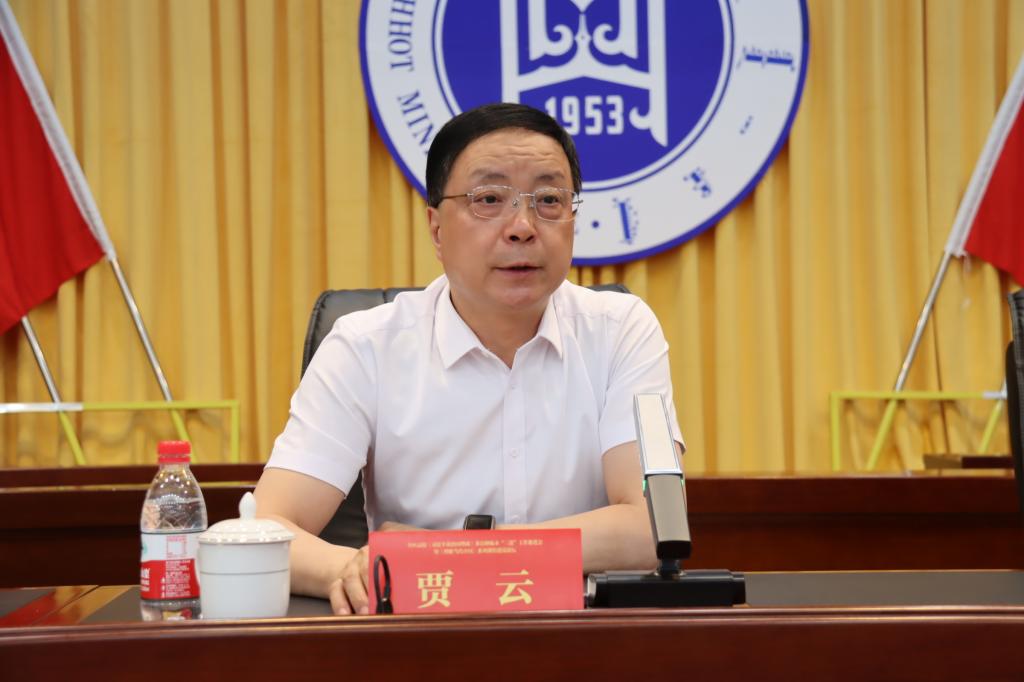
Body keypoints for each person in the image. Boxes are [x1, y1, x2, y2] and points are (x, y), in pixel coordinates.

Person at [254, 102, 683, 615]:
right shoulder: (366, 346)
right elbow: (265, 529)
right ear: (437, 229)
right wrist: (349, 570)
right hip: (420, 636)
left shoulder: (620, 331)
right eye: (489, 199)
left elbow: (651, 526)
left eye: (549, 199)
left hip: (579, 635)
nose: (522, 226)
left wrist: (447, 554)